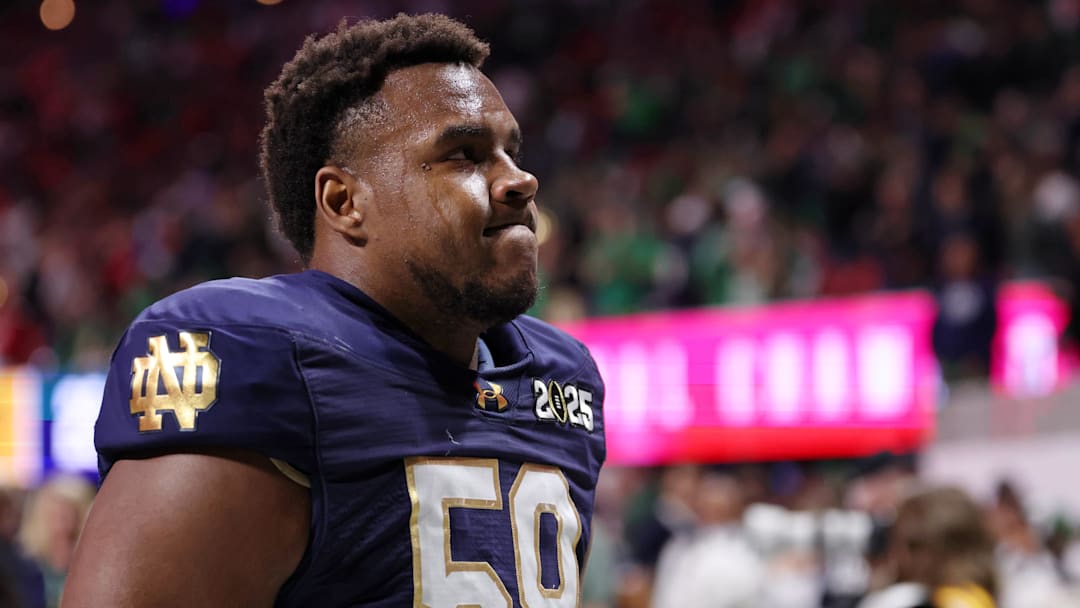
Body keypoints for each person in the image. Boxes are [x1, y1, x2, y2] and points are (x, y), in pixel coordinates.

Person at [62, 13, 606, 607]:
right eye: (465, 155)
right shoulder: (259, 354)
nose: (520, 179)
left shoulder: (559, 377)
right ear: (343, 201)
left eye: (511, 151)